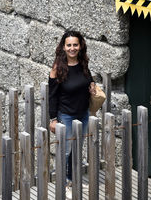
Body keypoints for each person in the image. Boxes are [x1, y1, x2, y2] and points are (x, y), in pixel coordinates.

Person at [49, 30, 95, 199]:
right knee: (66, 151)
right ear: (63, 47)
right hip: (66, 115)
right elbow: (52, 95)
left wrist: (91, 86)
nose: (72, 48)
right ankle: (65, 182)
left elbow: (88, 80)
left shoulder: (83, 64)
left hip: (83, 114)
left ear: (80, 46)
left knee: (77, 149)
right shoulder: (57, 69)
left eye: (75, 44)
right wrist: (53, 119)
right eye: (69, 45)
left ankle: (73, 179)